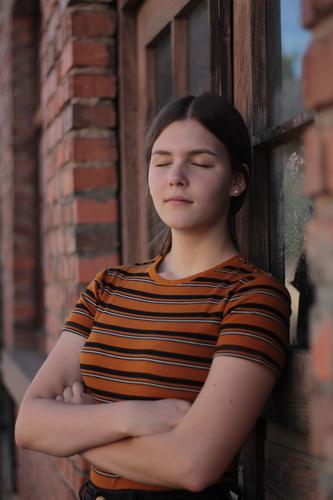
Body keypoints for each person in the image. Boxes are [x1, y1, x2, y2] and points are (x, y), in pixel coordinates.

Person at [15, 93, 291, 500]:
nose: (176, 176)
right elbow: (29, 425)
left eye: (200, 163)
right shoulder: (108, 285)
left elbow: (192, 465)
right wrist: (133, 416)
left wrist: (76, 427)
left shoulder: (252, 296)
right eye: (161, 162)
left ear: (237, 181)